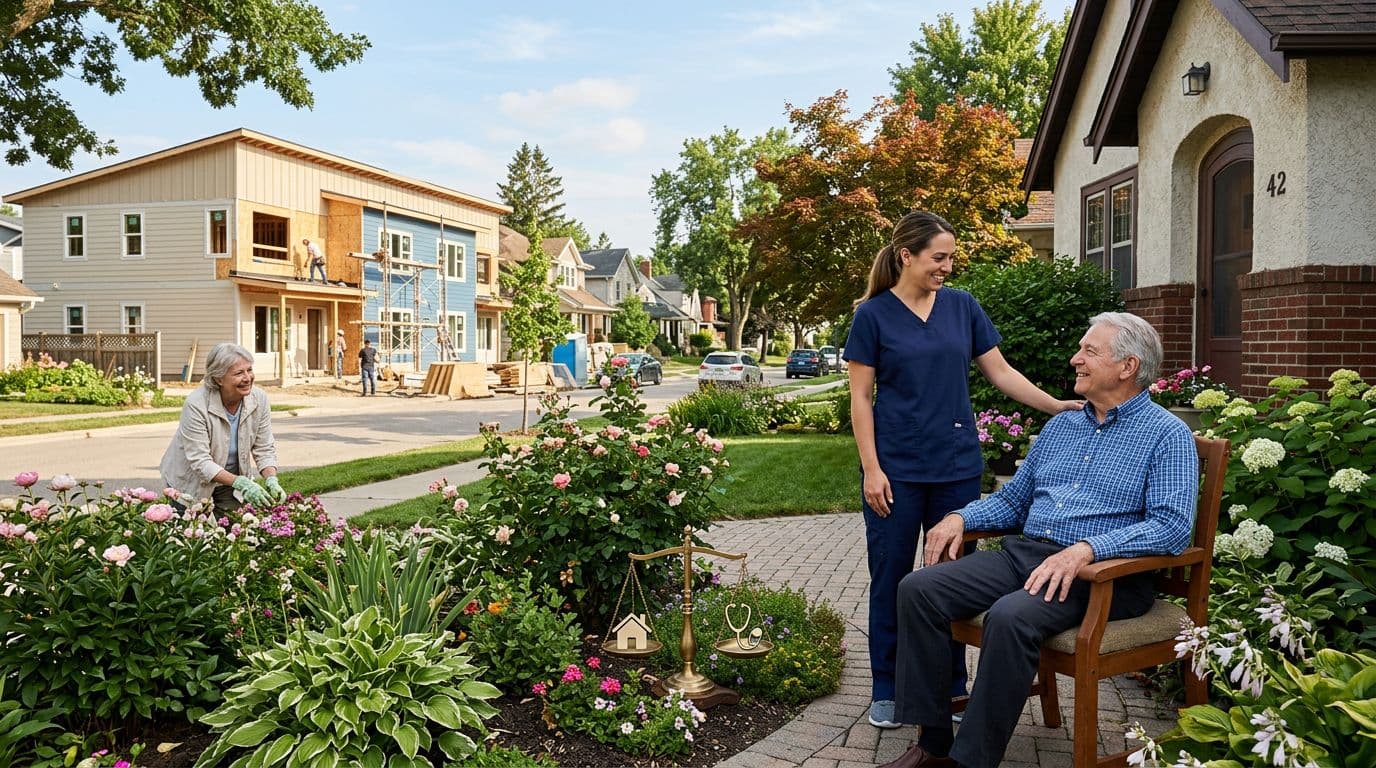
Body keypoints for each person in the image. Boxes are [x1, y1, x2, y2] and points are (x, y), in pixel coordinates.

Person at [879, 312, 1198, 768]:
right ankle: (933, 744)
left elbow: (1171, 527)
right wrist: (958, 517)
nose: (1076, 360)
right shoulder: (1062, 426)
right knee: (919, 589)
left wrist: (1088, 549)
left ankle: (971, 760)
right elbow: (1014, 502)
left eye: (1089, 351)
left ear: (1127, 366)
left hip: (1101, 577)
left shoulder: (1167, 435)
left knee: (1010, 616)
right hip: (1029, 556)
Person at [842, 211, 1082, 731]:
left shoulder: (962, 307)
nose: (947, 267)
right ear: (907, 255)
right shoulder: (873, 316)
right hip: (895, 473)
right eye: (939, 258)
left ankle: (950, 683)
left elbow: (1000, 371)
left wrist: (1054, 406)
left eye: (951, 257)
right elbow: (860, 398)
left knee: (950, 581)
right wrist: (871, 470)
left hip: (955, 469)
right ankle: (887, 686)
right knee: (891, 577)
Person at [160, 342, 288, 512]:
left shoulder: (259, 399)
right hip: (190, 483)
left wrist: (271, 479)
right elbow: (200, 461)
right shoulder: (196, 404)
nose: (247, 378)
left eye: (249, 370)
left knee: (236, 533)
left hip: (230, 483)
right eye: (239, 373)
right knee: (193, 535)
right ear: (218, 378)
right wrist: (242, 483)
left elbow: (264, 448)